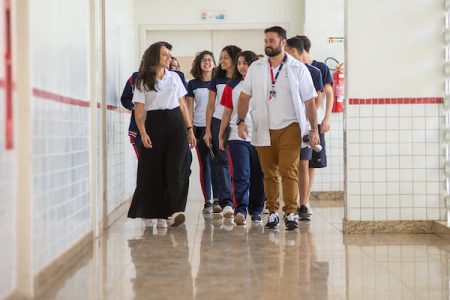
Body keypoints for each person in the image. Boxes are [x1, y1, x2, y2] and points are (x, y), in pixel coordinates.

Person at [237, 26, 319, 230]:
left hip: (290, 125)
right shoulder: (256, 67)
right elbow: (244, 96)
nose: (267, 44)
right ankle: (272, 212)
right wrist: (240, 121)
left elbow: (309, 100)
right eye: (265, 40)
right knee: (269, 172)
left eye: (271, 40)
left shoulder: (298, 68)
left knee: (288, 170)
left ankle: (290, 212)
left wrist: (314, 129)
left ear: (283, 43)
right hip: (263, 125)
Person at [127, 41, 196, 228]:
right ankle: (152, 211)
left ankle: (174, 212)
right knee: (152, 170)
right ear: (154, 56)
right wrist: (142, 133)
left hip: (175, 125)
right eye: (165, 54)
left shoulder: (174, 77)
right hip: (154, 125)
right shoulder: (142, 80)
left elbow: (182, 106)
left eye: (169, 54)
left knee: (176, 169)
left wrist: (189, 130)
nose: (169, 57)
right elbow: (140, 112)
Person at [218, 50, 265, 225]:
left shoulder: (263, 84)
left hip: (260, 136)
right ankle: (240, 210)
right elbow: (227, 112)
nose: (241, 66)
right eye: (239, 63)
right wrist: (221, 135)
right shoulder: (232, 86)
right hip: (237, 136)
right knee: (241, 175)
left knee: (258, 175)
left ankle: (256, 210)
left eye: (245, 63)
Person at [295, 35, 334, 220]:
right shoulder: (292, 68)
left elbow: (328, 94)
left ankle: (305, 200)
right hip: (297, 123)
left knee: (312, 162)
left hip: (314, 122)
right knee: (299, 162)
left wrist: (326, 118)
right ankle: (297, 199)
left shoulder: (319, 68)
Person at [285, 37, 324, 221]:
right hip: (286, 126)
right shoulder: (282, 71)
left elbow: (317, 100)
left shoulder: (314, 72)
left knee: (303, 165)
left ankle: (303, 204)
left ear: (293, 51)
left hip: (306, 128)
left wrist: (311, 125)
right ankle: (289, 205)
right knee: (286, 167)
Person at [203, 45, 242, 217]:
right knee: (222, 161)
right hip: (219, 122)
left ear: (234, 59)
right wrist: (208, 131)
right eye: (221, 57)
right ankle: (227, 202)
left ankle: (239, 201)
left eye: (225, 57)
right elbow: (210, 106)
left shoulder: (244, 79)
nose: (222, 61)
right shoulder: (216, 79)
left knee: (238, 163)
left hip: (239, 122)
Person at [186, 50, 219, 213]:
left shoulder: (219, 82)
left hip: (216, 127)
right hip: (198, 128)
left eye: (210, 59)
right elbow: (189, 108)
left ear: (214, 63)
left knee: (217, 164)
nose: (207, 62)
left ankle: (219, 199)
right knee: (204, 164)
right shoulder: (192, 84)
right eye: (203, 60)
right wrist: (189, 129)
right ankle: (208, 200)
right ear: (199, 64)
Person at [120, 71, 141, 158]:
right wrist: (136, 107)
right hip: (137, 128)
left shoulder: (166, 79)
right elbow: (124, 99)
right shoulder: (134, 78)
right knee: (143, 162)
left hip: (159, 128)